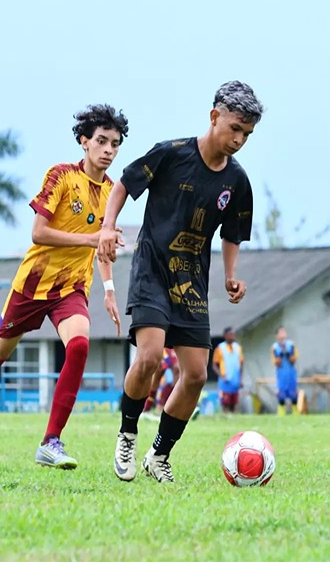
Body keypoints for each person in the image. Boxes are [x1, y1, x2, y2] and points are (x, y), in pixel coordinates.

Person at [0, 105, 128, 468]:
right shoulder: (61, 176)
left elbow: (103, 245)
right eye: (101, 141)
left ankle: (50, 442)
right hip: (34, 284)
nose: (108, 150)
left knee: (80, 344)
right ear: (84, 142)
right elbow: (38, 232)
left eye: (115, 144)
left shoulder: (113, 191)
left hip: (72, 288)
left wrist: (110, 288)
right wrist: (91, 239)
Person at [98, 80, 263, 483]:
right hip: (153, 269)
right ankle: (127, 432)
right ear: (214, 117)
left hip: (191, 281)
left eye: (247, 134)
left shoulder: (237, 182)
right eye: (235, 129)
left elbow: (232, 234)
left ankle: (159, 456)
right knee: (151, 357)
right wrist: (107, 226)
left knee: (196, 375)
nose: (239, 139)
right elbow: (123, 184)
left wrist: (230, 276)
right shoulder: (171, 154)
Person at [213, 327, 244, 414]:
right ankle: (225, 416)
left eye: (233, 335)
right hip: (225, 380)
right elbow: (214, 365)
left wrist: (240, 379)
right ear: (225, 336)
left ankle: (232, 417)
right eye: (230, 335)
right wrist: (221, 375)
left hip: (235, 379)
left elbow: (241, 364)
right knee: (225, 402)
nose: (232, 337)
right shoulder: (220, 348)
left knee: (233, 403)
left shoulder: (238, 348)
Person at [142, 348, 179, 419]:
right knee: (159, 371)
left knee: (177, 370)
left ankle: (170, 407)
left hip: (178, 343)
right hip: (163, 344)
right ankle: (147, 407)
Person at [272, 327, 298, 416]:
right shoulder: (274, 347)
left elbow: (294, 361)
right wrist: (280, 355)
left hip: (291, 373)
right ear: (277, 335)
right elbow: (276, 363)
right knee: (281, 393)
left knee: (293, 393)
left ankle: (295, 412)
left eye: (284, 332)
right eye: (280, 332)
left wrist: (288, 354)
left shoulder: (291, 345)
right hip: (281, 373)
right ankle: (281, 412)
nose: (283, 334)